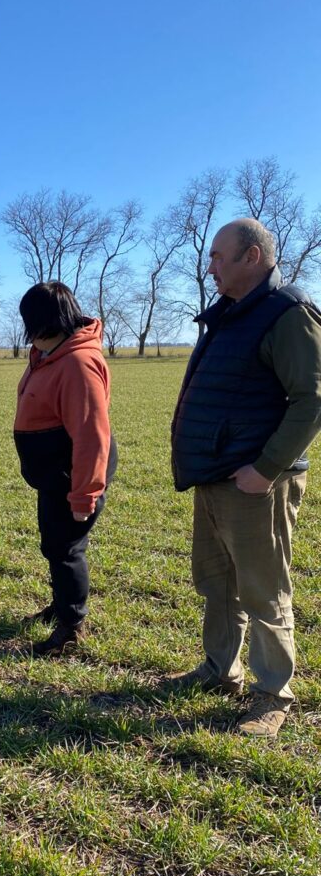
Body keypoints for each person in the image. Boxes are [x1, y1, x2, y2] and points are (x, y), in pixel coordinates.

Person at [170, 218, 321, 737]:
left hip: (257, 482)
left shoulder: (287, 314)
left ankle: (272, 692)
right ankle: (219, 669)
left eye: (218, 256)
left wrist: (266, 469)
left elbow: (313, 399)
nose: (209, 265)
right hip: (217, 474)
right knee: (218, 582)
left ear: (252, 258)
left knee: (263, 588)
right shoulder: (232, 315)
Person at [14, 282, 117, 655]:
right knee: (53, 544)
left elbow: (91, 435)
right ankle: (62, 607)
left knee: (66, 548)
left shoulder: (77, 362)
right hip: (54, 474)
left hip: (73, 472)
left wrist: (85, 493)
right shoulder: (48, 353)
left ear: (42, 322)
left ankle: (72, 628)